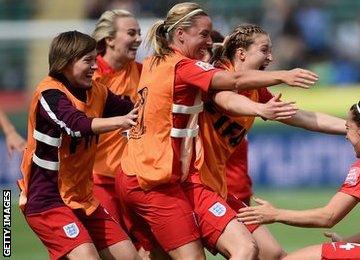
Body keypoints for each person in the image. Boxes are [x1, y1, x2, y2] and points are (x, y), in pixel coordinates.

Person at [116, 2, 318, 259]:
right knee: (236, 250)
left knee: (159, 254)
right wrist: (282, 77)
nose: (208, 42)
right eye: (203, 35)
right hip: (157, 179)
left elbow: (297, 115)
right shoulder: (185, 68)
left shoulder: (155, 61)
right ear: (180, 34)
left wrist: (347, 126)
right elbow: (229, 87)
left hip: (143, 173)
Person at [185, 23, 346, 259]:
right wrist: (260, 109)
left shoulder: (256, 90)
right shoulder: (217, 76)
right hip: (193, 184)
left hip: (216, 187)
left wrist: (353, 128)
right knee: (245, 249)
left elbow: (302, 117)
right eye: (264, 50)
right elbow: (226, 100)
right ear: (241, 53)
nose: (270, 56)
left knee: (272, 254)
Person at [238, 95, 360, 259]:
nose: (346, 136)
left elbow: (328, 217)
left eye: (348, 128)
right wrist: (348, 243)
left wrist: (275, 214)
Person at [18, 30, 140, 260]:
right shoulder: (49, 93)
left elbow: (133, 108)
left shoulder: (97, 92)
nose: (95, 66)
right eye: (88, 60)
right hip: (47, 200)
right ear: (66, 61)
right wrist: (121, 122)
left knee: (129, 257)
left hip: (83, 198)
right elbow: (75, 125)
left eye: (95, 59)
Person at [91, 9, 165, 259]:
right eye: (131, 33)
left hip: (135, 179)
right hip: (99, 179)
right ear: (109, 39)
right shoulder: (89, 77)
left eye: (139, 34)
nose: (137, 39)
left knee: (156, 248)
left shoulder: (144, 73)